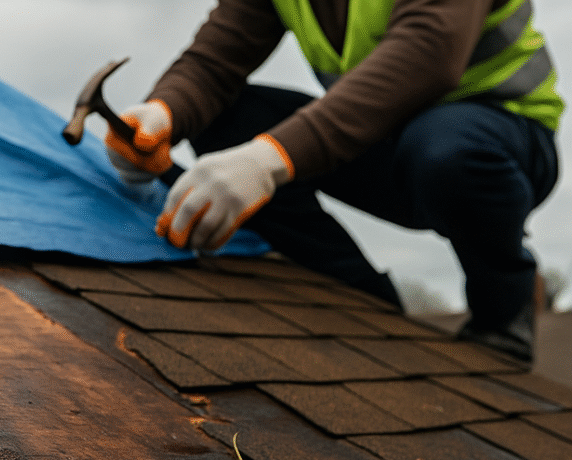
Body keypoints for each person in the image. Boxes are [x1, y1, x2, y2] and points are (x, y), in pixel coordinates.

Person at [104, 0, 563, 363]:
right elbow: (214, 61)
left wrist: (267, 162)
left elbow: (430, 49)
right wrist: (162, 112)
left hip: (500, 143)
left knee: (445, 150)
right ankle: (362, 299)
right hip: (387, 141)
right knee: (224, 121)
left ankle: (504, 313)